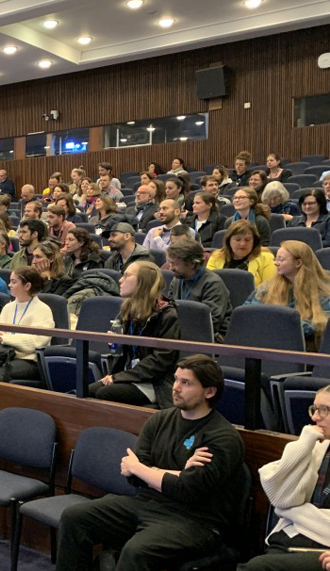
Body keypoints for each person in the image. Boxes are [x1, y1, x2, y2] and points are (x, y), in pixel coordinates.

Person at [57, 355, 245, 571]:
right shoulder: (159, 420)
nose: (175, 388)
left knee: (136, 552)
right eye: (176, 379)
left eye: (186, 383)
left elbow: (188, 489)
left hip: (195, 519)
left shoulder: (222, 437)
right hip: (148, 502)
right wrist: (176, 473)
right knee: (74, 518)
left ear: (209, 392)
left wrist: (142, 469)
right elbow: (133, 477)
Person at [238, 385, 330, 571]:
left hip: (323, 546)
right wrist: (303, 444)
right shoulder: (318, 448)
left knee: (256, 568)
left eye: (325, 410)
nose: (314, 417)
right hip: (291, 536)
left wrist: (298, 513)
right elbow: (281, 498)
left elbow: (288, 507)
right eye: (314, 409)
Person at [90, 260, 181, 407]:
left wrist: (120, 377)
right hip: (130, 375)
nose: (120, 280)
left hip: (154, 382)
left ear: (142, 282)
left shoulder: (167, 314)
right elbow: (127, 353)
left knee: (104, 394)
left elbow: (161, 360)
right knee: (86, 391)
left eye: (127, 275)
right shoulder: (128, 310)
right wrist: (117, 343)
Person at [0, 266, 54, 382]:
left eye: (13, 282)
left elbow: (37, 341)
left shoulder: (43, 309)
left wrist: (5, 338)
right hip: (3, 355)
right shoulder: (9, 307)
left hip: (29, 360)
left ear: (27, 286)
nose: (9, 285)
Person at [244, 241, 330, 348]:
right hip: (270, 345)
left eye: (281, 259)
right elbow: (248, 314)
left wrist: (284, 326)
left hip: (309, 348)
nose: (276, 263)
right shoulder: (266, 287)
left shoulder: (324, 290)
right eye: (276, 259)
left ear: (298, 263)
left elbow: (323, 323)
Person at [166, 241, 232, 342]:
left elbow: (210, 322)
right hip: (181, 333)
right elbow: (168, 310)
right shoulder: (177, 280)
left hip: (210, 338)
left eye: (175, 264)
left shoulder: (213, 283)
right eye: (170, 263)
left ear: (192, 263)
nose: (171, 268)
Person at [206, 219, 277, 286]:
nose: (242, 243)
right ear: (229, 240)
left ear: (254, 241)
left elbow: (270, 289)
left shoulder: (266, 258)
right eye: (237, 240)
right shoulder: (217, 256)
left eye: (247, 240)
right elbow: (209, 284)